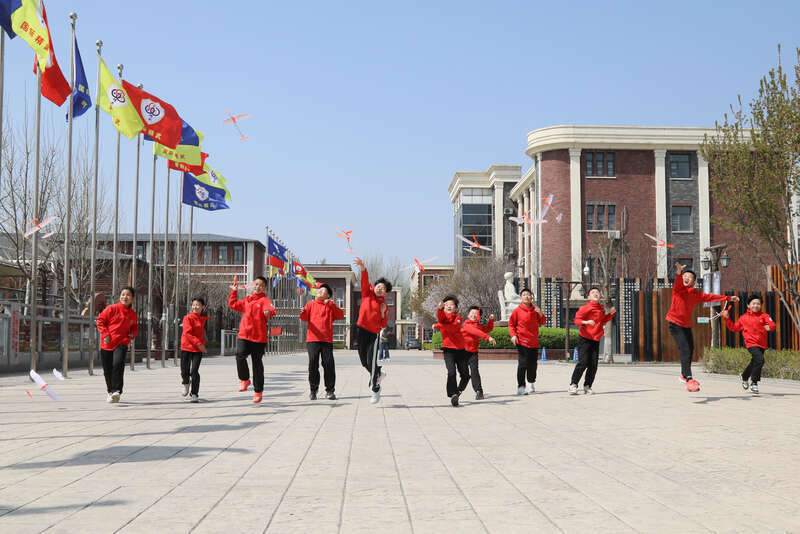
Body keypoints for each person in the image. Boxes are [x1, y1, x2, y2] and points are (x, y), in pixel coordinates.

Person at [666, 262, 738, 392]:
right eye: (684, 276)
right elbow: (678, 281)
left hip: (685, 325)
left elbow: (710, 297)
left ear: (694, 282)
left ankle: (683, 375)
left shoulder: (696, 294)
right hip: (674, 323)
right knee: (685, 349)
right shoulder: (678, 290)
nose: (686, 278)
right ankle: (689, 379)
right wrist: (679, 272)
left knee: (690, 349)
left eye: (689, 277)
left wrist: (727, 298)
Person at [228, 275, 275, 403]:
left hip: (258, 338)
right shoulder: (247, 300)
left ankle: (258, 391)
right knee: (239, 355)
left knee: (257, 364)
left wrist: (268, 312)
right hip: (244, 334)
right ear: (253, 285)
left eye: (261, 285)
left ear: (264, 288)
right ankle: (244, 379)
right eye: (256, 284)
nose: (258, 287)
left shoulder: (265, 300)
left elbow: (270, 308)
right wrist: (234, 291)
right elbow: (232, 304)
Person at [352, 257, 390, 404]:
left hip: (373, 335)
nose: (380, 288)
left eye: (383, 288)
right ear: (374, 287)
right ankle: (378, 373)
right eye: (378, 286)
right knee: (364, 362)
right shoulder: (366, 294)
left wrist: (382, 313)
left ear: (385, 293)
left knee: (371, 361)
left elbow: (383, 324)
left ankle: (375, 389)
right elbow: (364, 280)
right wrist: (363, 268)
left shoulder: (384, 306)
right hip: (361, 331)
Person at [721, 295, 775, 394]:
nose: (756, 305)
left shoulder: (764, 316)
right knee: (760, 360)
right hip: (751, 344)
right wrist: (727, 318)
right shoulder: (743, 318)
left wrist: (768, 327)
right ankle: (754, 383)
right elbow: (734, 328)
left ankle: (744, 376)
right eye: (753, 303)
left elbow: (772, 325)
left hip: (762, 344)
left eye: (758, 304)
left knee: (755, 361)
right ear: (748, 305)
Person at [300, 283, 345, 400]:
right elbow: (304, 318)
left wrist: (331, 304)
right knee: (313, 364)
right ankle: (313, 390)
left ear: (328, 295)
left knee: (328, 364)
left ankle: (330, 391)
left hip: (326, 340)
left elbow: (341, 314)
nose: (320, 291)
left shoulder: (330, 306)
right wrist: (303, 312)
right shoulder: (310, 304)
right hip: (312, 339)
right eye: (319, 289)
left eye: (323, 290)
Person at [569, 287, 615, 395]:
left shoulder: (600, 309)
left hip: (595, 339)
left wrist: (610, 314)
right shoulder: (585, 308)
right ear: (589, 297)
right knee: (583, 362)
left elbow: (603, 321)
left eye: (597, 292)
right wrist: (586, 322)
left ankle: (587, 386)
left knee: (593, 365)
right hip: (585, 338)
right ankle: (573, 384)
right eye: (593, 292)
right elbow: (576, 320)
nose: (595, 293)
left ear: (600, 296)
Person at [96, 286, 138, 403]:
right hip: (107, 343)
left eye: (128, 295)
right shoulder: (111, 309)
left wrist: (132, 334)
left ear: (132, 298)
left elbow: (134, 327)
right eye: (123, 294)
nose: (125, 297)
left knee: (118, 364)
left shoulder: (132, 314)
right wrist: (105, 334)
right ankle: (110, 391)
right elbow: (100, 321)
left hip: (121, 342)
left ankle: (117, 391)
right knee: (107, 369)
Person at [508, 288, 547, 395]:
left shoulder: (535, 310)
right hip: (521, 341)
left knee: (533, 364)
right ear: (521, 297)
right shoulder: (517, 311)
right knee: (523, 364)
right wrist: (513, 336)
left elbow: (543, 322)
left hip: (533, 341)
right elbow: (511, 325)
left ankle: (531, 382)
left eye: (528, 295)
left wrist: (540, 313)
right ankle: (521, 387)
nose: (526, 296)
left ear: (531, 297)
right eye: (524, 295)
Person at [437, 296, 470, 406]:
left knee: (466, 375)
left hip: (461, 350)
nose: (448, 306)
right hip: (448, 350)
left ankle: (458, 391)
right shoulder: (442, 318)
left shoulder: (458, 318)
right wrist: (439, 310)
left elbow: (453, 328)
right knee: (451, 372)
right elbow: (440, 316)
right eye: (446, 305)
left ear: (456, 308)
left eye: (451, 304)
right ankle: (453, 394)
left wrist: (439, 325)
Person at [461, 306, 496, 400]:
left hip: (473, 352)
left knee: (475, 372)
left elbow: (488, 329)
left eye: (476, 314)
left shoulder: (479, 325)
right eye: (472, 313)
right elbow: (475, 331)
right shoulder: (466, 324)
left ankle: (479, 391)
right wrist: (488, 337)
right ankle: (458, 390)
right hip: (463, 352)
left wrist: (491, 320)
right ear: (468, 315)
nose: (474, 315)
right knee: (464, 374)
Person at [180, 297, 209, 403]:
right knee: (184, 371)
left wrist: (202, 345)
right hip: (186, 347)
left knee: (194, 371)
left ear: (202, 307)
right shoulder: (187, 318)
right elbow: (187, 333)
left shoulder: (202, 319)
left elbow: (201, 334)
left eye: (197, 305)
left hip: (197, 350)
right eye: (193, 305)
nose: (195, 307)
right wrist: (199, 344)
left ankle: (194, 393)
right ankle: (186, 382)